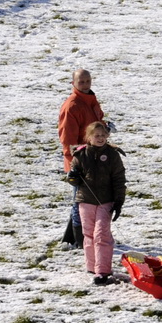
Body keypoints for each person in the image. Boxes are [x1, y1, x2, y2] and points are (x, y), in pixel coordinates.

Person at [68, 121, 126, 285]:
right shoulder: (81, 155)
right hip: (85, 200)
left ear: (107, 136)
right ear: (89, 137)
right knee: (88, 233)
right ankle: (92, 266)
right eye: (96, 136)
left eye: (103, 136)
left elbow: (119, 179)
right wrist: (73, 178)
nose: (100, 139)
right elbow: (74, 177)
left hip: (105, 201)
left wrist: (119, 201)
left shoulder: (113, 155)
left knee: (101, 235)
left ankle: (103, 270)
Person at [58, 68, 105, 247]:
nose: (85, 84)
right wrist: (76, 165)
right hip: (80, 162)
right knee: (80, 202)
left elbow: (95, 125)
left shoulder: (91, 100)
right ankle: (79, 240)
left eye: (87, 80)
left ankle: (82, 237)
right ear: (73, 83)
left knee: (91, 201)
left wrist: (104, 129)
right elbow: (67, 141)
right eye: (81, 82)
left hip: (94, 159)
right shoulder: (72, 106)